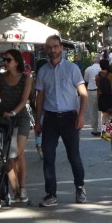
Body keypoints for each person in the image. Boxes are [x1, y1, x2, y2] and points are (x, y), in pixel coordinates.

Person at [34, 35, 88, 208]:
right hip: (50, 119)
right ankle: (51, 194)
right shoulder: (43, 71)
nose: (53, 50)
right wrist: (37, 121)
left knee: (74, 156)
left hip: (69, 118)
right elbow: (40, 97)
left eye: (55, 46)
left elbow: (84, 93)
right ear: (45, 49)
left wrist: (81, 116)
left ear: (61, 48)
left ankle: (80, 187)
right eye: (49, 47)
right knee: (48, 157)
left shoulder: (72, 69)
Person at [0, 48, 33, 204]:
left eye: (8, 60)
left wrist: (13, 112)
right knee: (8, 156)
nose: (5, 63)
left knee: (18, 153)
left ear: (17, 61)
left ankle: (22, 188)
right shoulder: (0, 77)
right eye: (4, 60)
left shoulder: (26, 78)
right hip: (4, 119)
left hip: (20, 117)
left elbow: (23, 101)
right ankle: (14, 190)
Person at [83, 55, 103, 137]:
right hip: (101, 91)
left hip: (91, 90)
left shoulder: (88, 69)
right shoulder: (102, 69)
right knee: (101, 111)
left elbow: (86, 80)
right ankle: (101, 128)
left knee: (93, 110)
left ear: (93, 61)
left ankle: (94, 129)